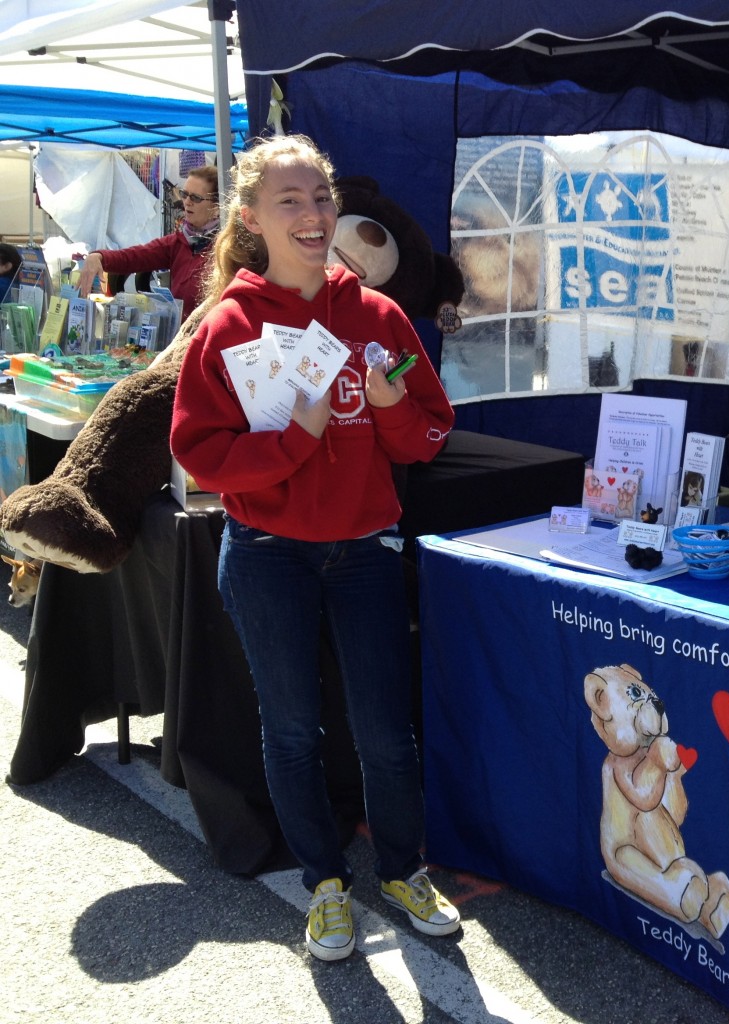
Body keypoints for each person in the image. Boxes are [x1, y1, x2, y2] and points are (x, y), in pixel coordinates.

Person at [170, 134, 460, 961]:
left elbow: (426, 438)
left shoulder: (377, 313)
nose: (312, 215)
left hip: (364, 552)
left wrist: (391, 403)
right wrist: (296, 440)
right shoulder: (226, 324)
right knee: (292, 730)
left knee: (383, 733)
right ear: (253, 218)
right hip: (264, 553)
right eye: (290, 201)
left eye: (322, 198)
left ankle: (404, 870)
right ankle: (324, 886)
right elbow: (201, 454)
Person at [76, 164, 220, 321]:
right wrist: (100, 256)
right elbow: (136, 256)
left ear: (217, 207)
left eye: (196, 198)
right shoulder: (177, 242)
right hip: (182, 338)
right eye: (185, 194)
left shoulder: (227, 249)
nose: (187, 202)